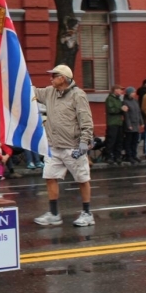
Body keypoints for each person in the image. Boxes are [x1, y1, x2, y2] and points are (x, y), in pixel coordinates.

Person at [33, 64, 95, 227]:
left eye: (54, 76)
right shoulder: (49, 92)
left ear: (62, 78)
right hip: (53, 146)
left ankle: (87, 213)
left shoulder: (78, 95)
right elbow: (31, 92)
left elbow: (86, 120)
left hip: (73, 146)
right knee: (50, 177)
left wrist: (84, 142)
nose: (50, 79)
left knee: (82, 179)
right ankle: (54, 214)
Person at [104, 84, 127, 164]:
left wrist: (123, 110)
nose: (121, 91)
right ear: (115, 90)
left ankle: (117, 156)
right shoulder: (110, 99)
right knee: (111, 140)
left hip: (119, 122)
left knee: (119, 140)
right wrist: (121, 109)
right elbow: (111, 110)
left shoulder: (118, 99)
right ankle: (109, 156)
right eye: (120, 89)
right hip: (112, 123)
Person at [122, 87, 143, 163]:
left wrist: (141, 122)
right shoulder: (125, 102)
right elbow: (126, 115)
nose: (134, 94)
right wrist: (129, 125)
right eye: (133, 92)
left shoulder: (135, 101)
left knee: (135, 141)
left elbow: (139, 112)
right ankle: (129, 156)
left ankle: (134, 155)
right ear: (129, 93)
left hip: (136, 125)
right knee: (129, 141)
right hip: (130, 125)